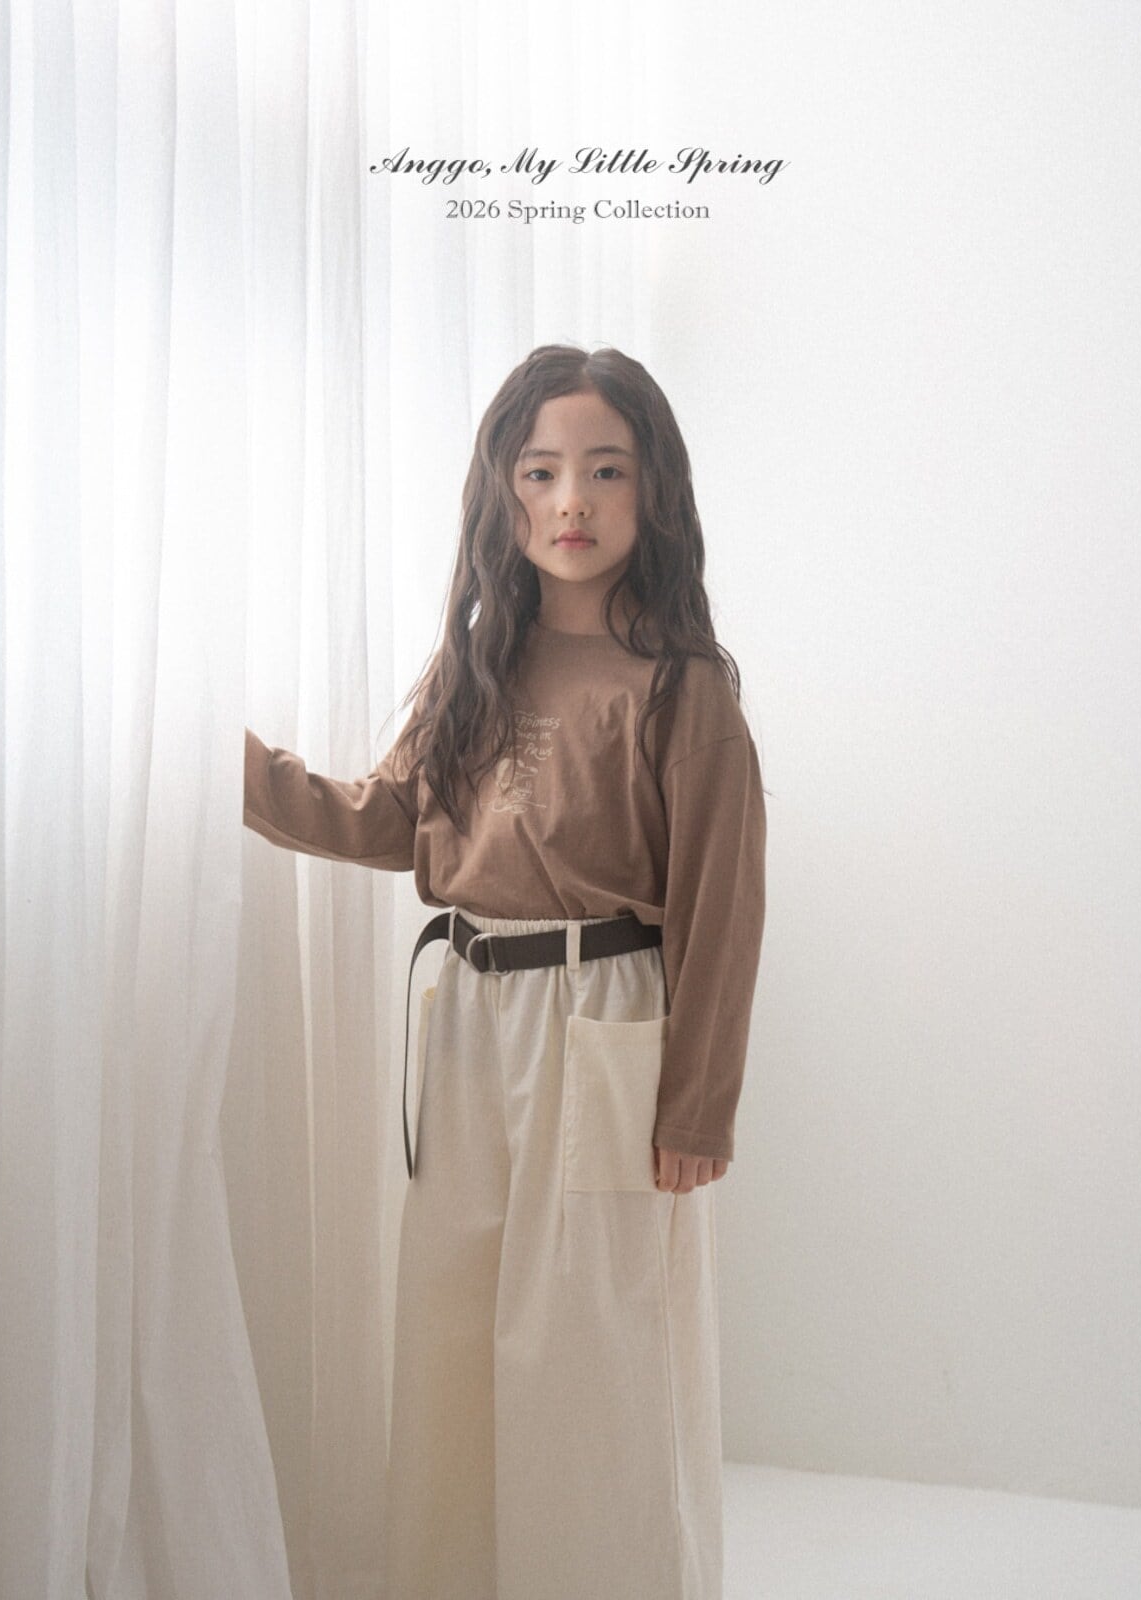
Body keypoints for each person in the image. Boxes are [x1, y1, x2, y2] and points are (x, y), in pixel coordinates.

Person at [243, 344, 767, 1600]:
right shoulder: (478, 666)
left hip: (603, 1022)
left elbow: (722, 904)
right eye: (540, 471)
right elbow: (392, 820)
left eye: (605, 470)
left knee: (587, 1343)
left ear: (653, 491)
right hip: (468, 1016)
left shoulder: (682, 688)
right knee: (454, 1322)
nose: (570, 500)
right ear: (503, 491)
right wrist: (226, 767)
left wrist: (696, 1105)